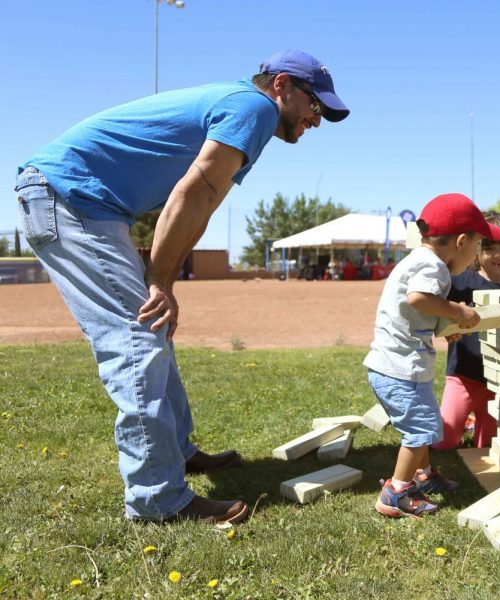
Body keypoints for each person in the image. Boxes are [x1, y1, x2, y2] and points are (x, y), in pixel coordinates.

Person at [14, 50, 349, 524]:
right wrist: (158, 278)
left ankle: (177, 452)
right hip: (73, 200)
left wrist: (165, 280)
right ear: (282, 86)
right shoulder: (253, 108)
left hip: (82, 202)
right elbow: (191, 193)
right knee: (137, 337)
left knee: (154, 325)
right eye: (316, 106)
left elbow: (201, 206)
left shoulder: (241, 111)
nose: (317, 120)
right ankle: (157, 500)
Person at [363, 193, 500, 518]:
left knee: (422, 423)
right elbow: (417, 298)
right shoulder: (434, 267)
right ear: (460, 241)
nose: (474, 255)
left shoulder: (417, 259)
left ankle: (424, 476)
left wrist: (445, 324)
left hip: (393, 366)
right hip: (402, 370)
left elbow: (415, 311)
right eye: (477, 245)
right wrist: (456, 309)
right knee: (420, 430)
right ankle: (396, 492)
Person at [432, 211, 500, 450]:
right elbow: (438, 314)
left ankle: (474, 422)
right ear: (476, 249)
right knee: (443, 443)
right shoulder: (460, 282)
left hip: (497, 383)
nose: (498, 255)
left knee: (486, 447)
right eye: (489, 248)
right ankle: (465, 420)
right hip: (462, 377)